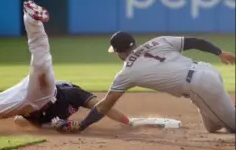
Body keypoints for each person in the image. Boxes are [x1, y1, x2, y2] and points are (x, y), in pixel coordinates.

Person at [0, 1, 133, 131]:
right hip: (41, 94)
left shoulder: (57, 107)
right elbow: (103, 106)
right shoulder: (72, 92)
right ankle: (31, 19)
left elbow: (20, 121)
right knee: (42, 63)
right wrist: (127, 122)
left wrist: (56, 125)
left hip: (25, 102)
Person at [59, 32, 235, 133]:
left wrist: (82, 125)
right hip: (207, 70)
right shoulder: (158, 41)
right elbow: (196, 42)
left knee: (233, 126)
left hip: (200, 87)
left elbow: (105, 106)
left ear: (120, 52)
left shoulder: (127, 73)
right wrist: (219, 52)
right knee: (212, 127)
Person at [14, 80, 133, 131]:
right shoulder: (28, 106)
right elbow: (24, 120)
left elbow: (104, 106)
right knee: (19, 120)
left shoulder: (73, 94)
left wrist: (127, 122)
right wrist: (55, 125)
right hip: (44, 117)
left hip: (65, 92)